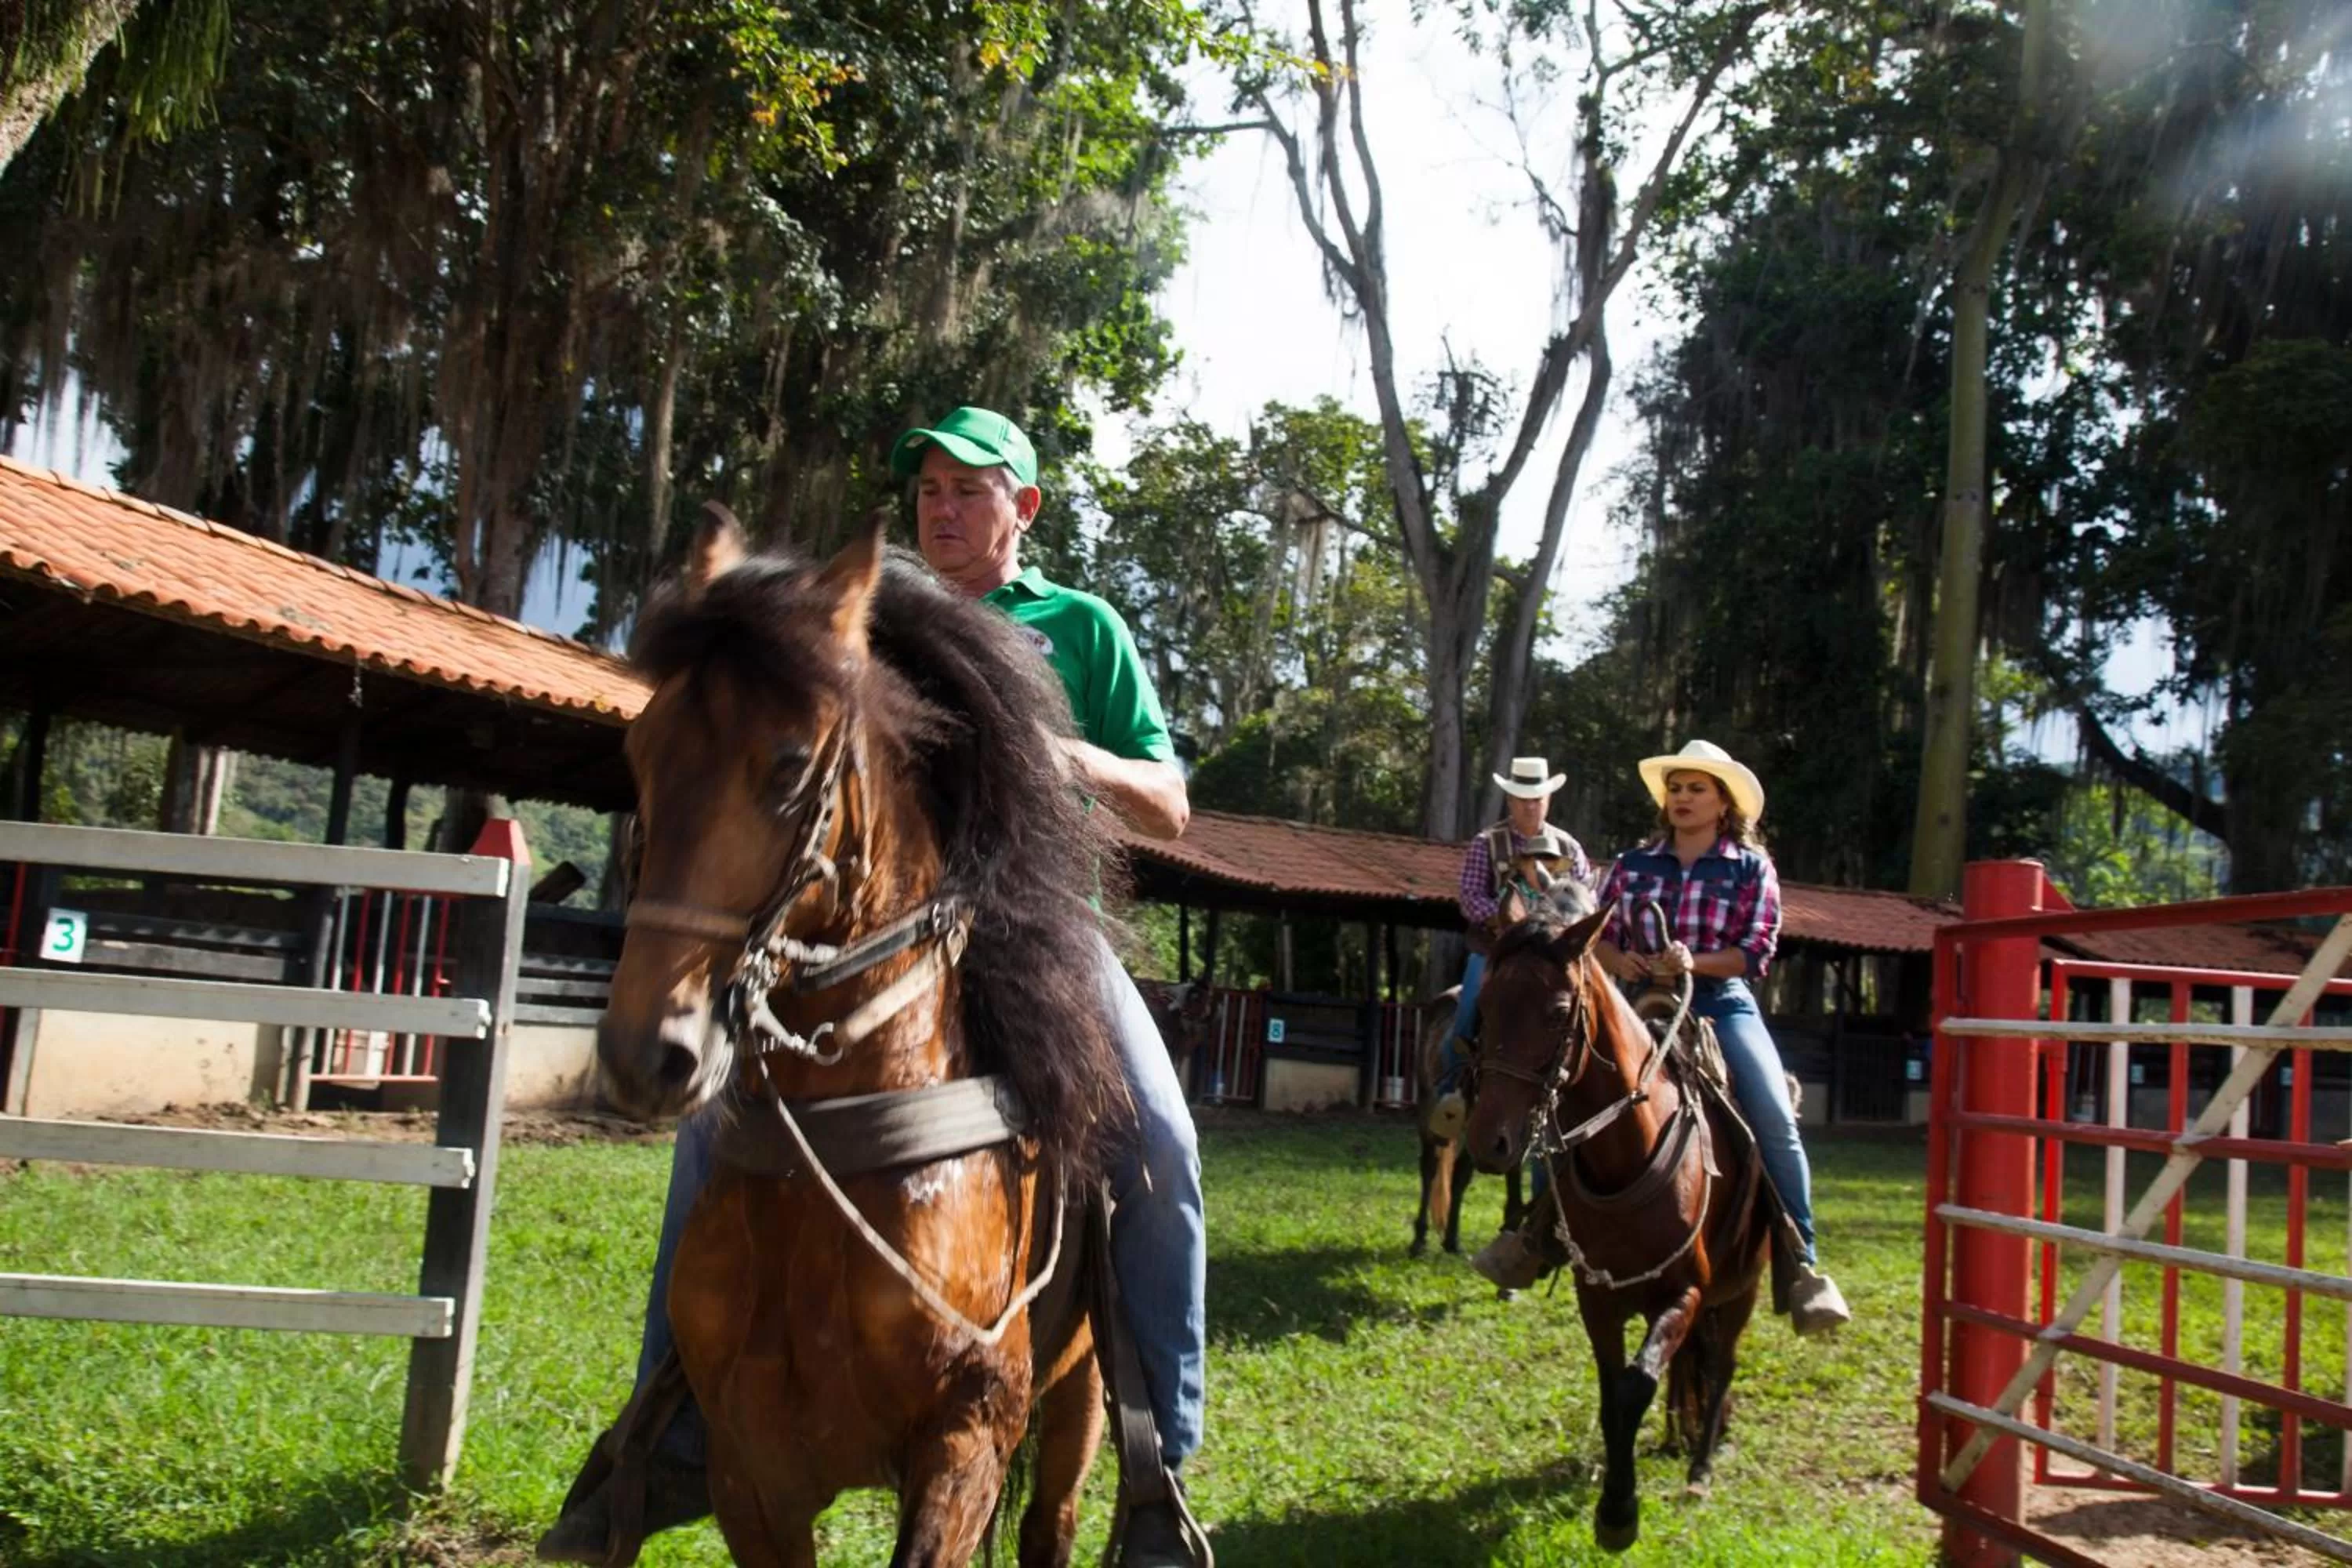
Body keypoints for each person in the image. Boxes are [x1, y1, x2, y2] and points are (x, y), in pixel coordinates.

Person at [539, 406, 1210, 1568]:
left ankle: (1156, 1468)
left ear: (1024, 508)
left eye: (970, 490)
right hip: (874, 946)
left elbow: (1170, 801)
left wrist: (1068, 757)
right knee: (710, 1140)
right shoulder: (869, 623)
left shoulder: (1079, 627)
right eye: (929, 492)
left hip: (1044, 933)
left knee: (1159, 1143)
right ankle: (667, 1425)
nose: (943, 511)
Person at [1467, 739, 1852, 1338]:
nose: (1682, 798)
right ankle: (1536, 1234)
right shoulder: (1632, 865)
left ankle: (1802, 1261)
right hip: (1631, 1005)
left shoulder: (1751, 868)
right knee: (1561, 1097)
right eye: (1675, 788)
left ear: (1723, 802)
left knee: (1775, 1116)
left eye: (1696, 789)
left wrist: (1692, 961)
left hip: (1720, 1004)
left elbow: (1756, 950)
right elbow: (1591, 933)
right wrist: (1622, 958)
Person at [1426, 757, 1592, 1142]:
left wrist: (1549, 927)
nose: (1529, 805)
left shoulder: (1570, 847)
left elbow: (1589, 901)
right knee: (1466, 1017)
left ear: (1548, 798)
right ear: (1509, 800)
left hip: (1553, 961)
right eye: (1521, 798)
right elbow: (1470, 899)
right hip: (1497, 953)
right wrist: (1516, 925)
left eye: (1536, 798)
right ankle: (1450, 1096)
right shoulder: (1488, 843)